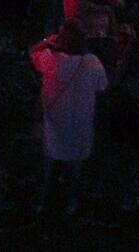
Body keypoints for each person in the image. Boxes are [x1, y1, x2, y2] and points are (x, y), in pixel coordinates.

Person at [30, 28, 107, 220]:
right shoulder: (92, 62)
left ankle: (39, 203)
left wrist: (48, 40)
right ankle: (70, 204)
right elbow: (103, 86)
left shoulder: (50, 60)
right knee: (75, 167)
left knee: (45, 166)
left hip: (52, 124)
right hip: (80, 125)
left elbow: (33, 51)